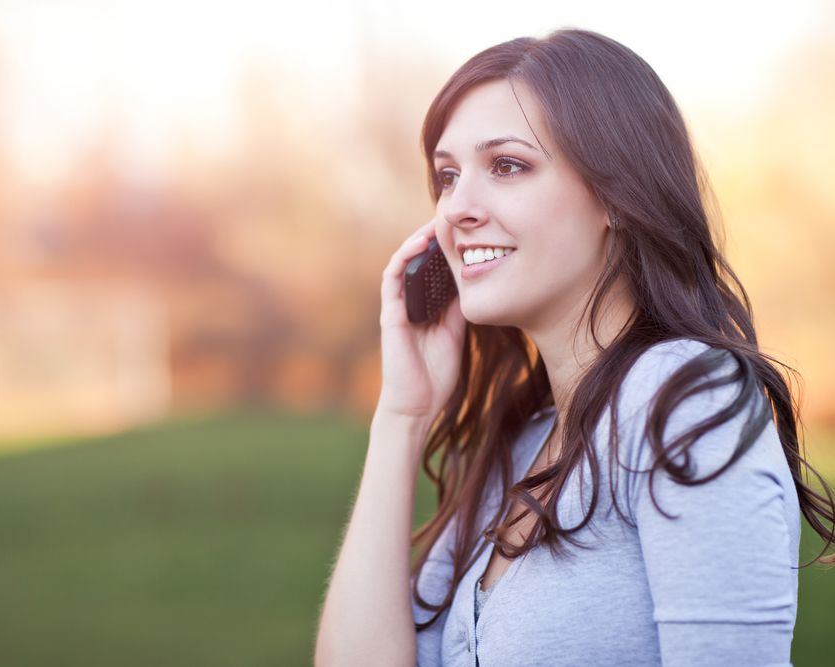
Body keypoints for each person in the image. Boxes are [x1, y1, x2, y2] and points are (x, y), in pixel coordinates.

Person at [313, 28, 835, 667]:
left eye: (507, 166)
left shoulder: (684, 401)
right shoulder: (518, 448)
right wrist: (403, 416)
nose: (455, 209)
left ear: (617, 194)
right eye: (447, 176)